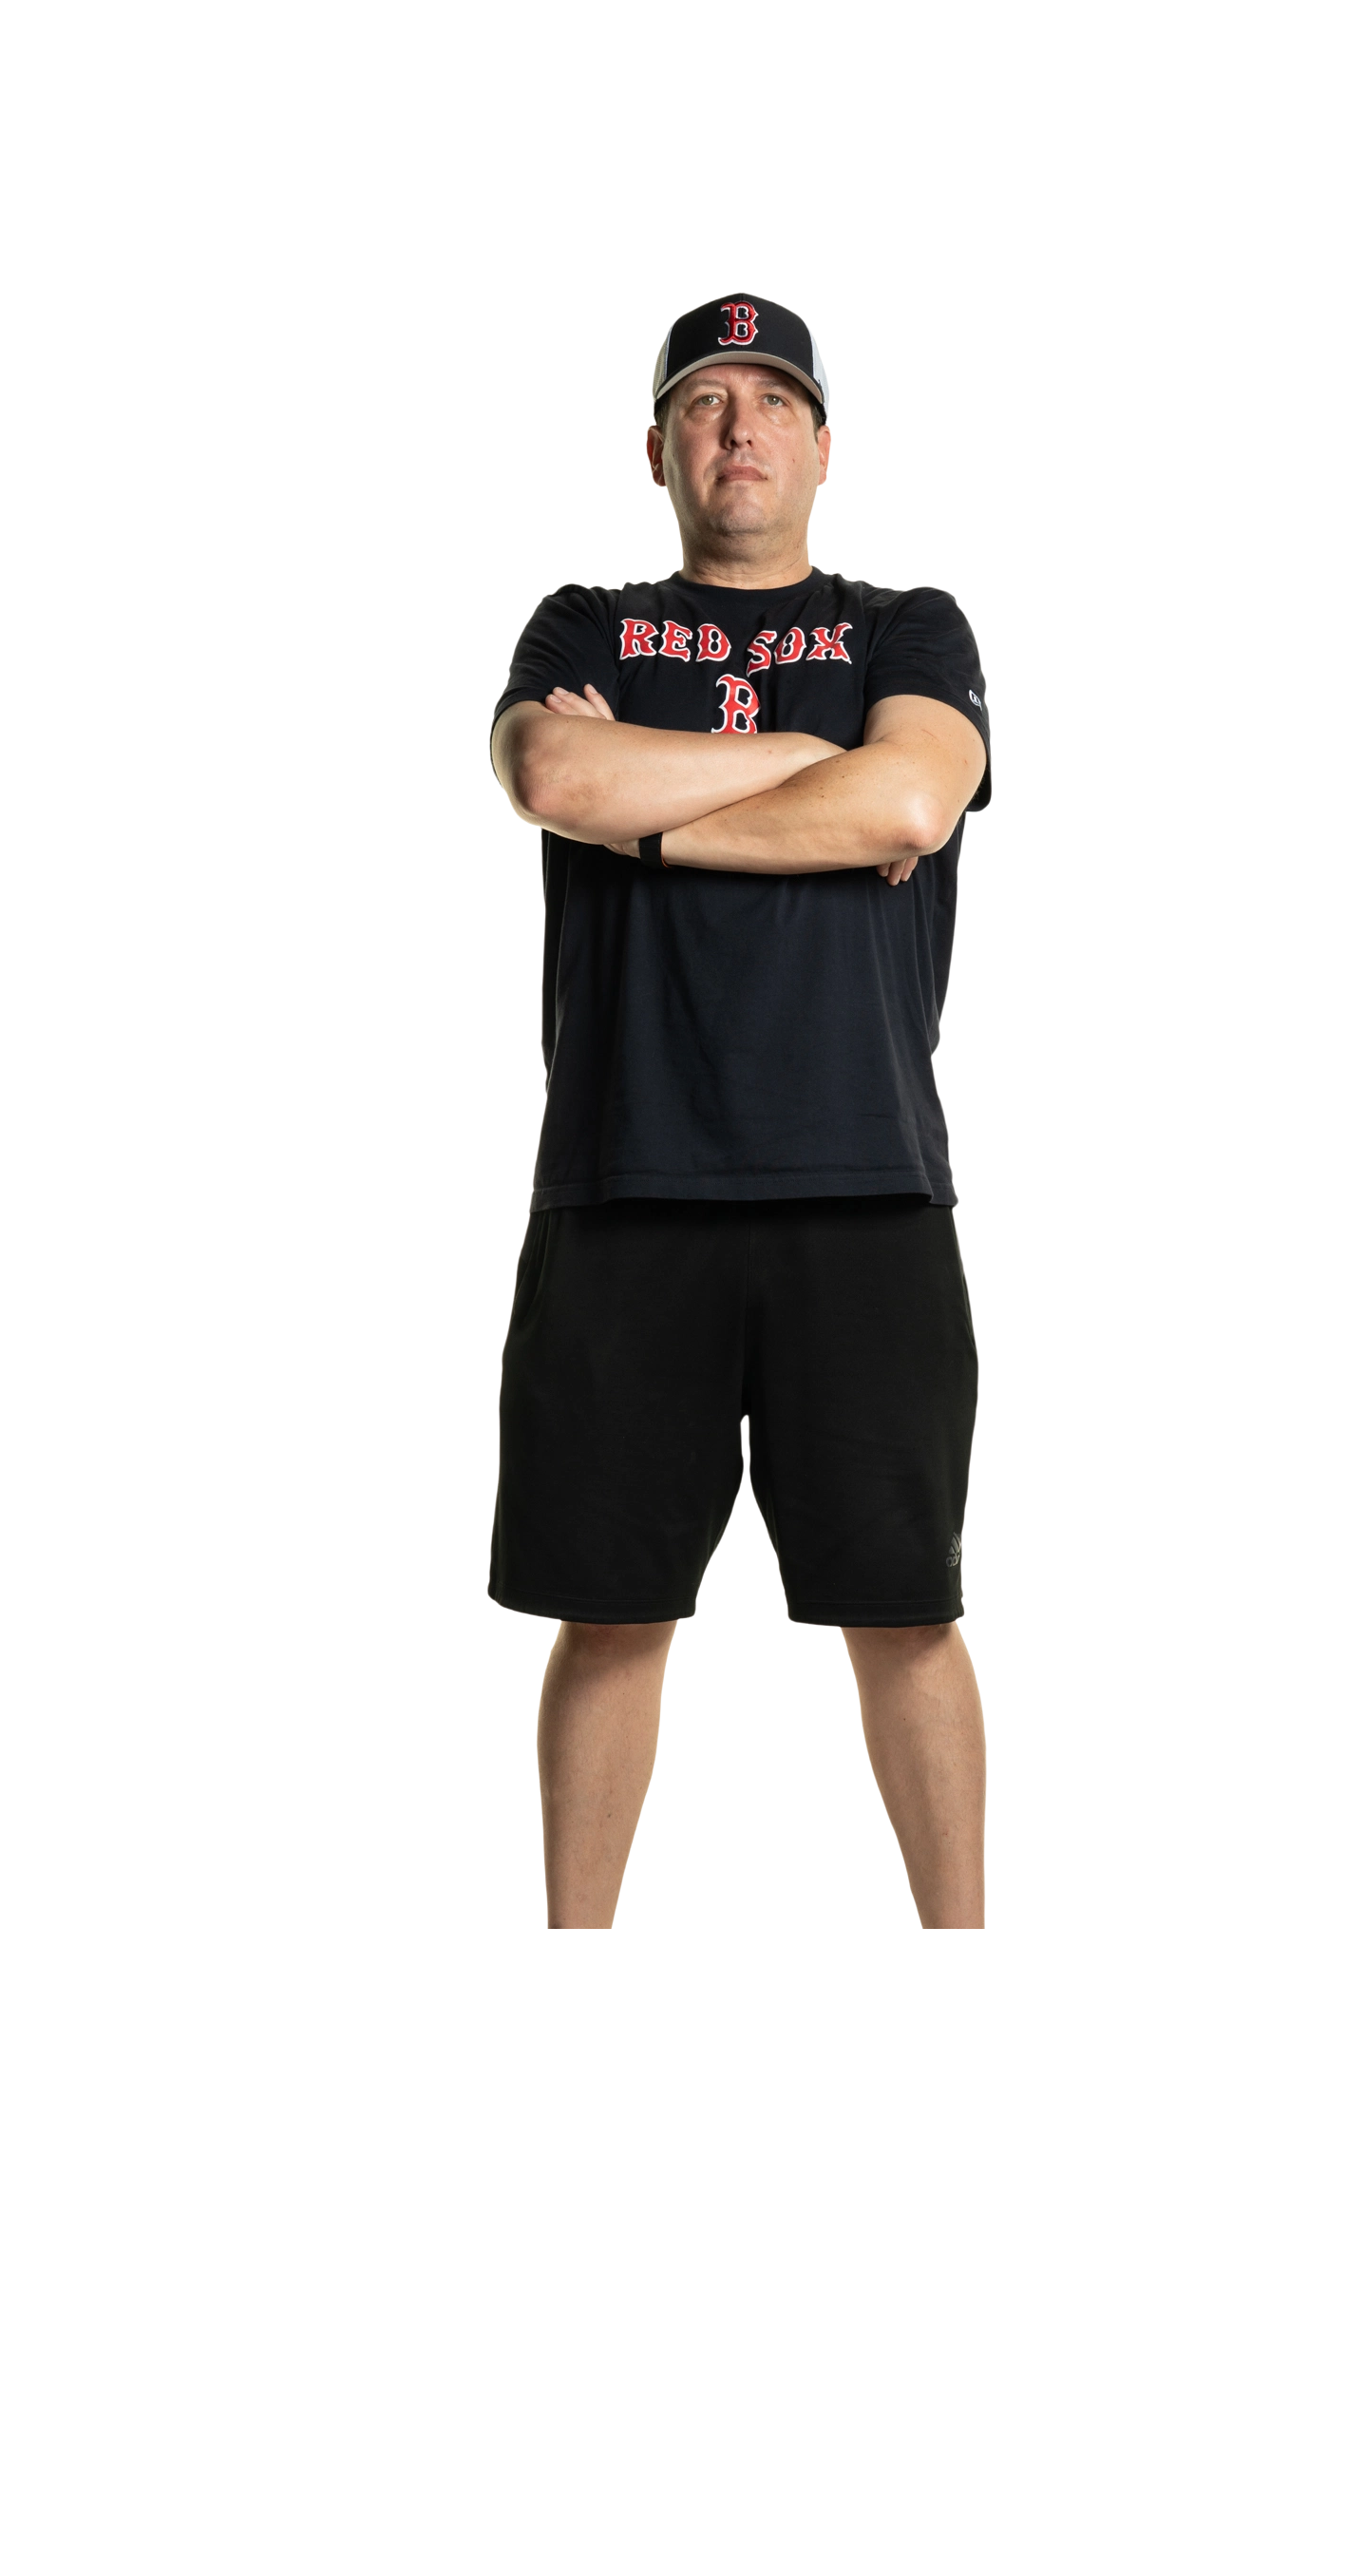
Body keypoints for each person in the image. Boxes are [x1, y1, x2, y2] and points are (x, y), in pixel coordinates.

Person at [489, 293, 992, 1929]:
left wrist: (651, 808)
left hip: (867, 1186)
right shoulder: (584, 627)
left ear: (823, 447)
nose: (740, 429)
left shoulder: (908, 627)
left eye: (773, 401)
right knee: (609, 1613)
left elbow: (910, 792)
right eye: (706, 403)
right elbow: (555, 778)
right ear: (659, 450)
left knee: (907, 1613)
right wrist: (800, 758)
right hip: (626, 1184)